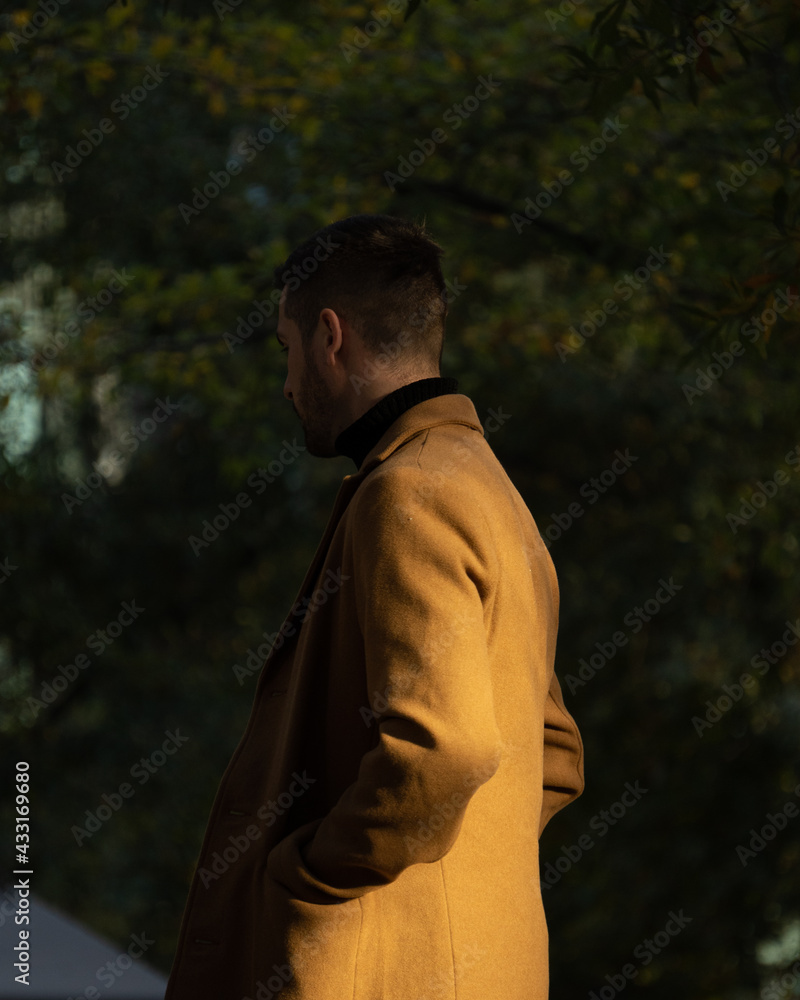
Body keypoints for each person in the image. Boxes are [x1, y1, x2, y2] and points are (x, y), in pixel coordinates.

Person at [164, 213, 585, 1000]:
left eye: (286, 352)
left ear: (330, 337)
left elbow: (443, 753)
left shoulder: (409, 495)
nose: (288, 385)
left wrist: (312, 874)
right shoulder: (493, 491)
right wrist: (467, 872)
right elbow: (552, 754)